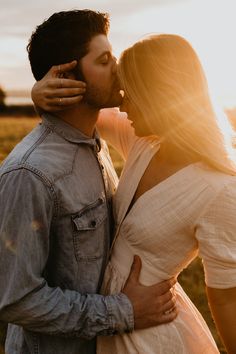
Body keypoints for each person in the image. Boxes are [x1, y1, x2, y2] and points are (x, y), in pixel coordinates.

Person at [32, 34, 236, 353]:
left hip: (153, 335)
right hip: (112, 317)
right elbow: (82, 113)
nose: (121, 104)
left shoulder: (220, 188)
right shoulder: (145, 144)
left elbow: (227, 298)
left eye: (128, 93)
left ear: (156, 97)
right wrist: (40, 94)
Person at [0, 11, 178, 354]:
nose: (119, 68)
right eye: (105, 60)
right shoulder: (29, 174)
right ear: (67, 76)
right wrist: (123, 311)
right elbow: (15, 298)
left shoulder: (94, 142)